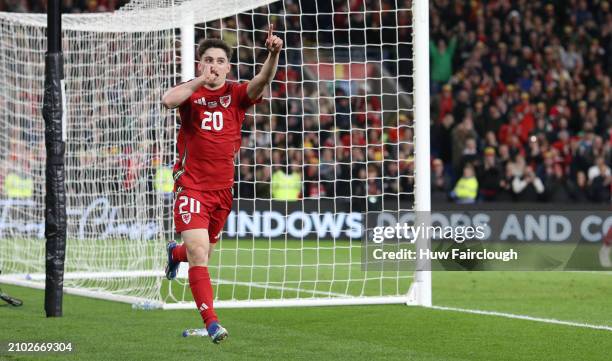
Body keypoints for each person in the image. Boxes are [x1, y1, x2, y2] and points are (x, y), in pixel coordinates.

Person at [160, 27, 283, 344]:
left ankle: (175, 253)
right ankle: (212, 323)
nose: (213, 65)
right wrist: (201, 80)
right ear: (200, 64)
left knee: (200, 253)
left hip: (222, 192)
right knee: (199, 255)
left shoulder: (236, 95)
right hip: (191, 188)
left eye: (219, 61)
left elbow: (261, 82)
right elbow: (167, 100)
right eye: (207, 60)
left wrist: (273, 54)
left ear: (228, 67)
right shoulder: (191, 93)